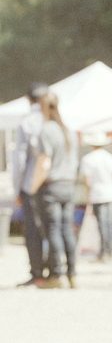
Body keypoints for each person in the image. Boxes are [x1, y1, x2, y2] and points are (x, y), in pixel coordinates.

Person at [35, 92, 79, 289]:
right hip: (68, 184)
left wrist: (32, 186)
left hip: (52, 185)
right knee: (66, 229)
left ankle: (57, 274)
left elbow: (44, 162)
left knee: (52, 229)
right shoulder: (68, 130)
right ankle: (72, 273)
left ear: (43, 107)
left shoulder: (46, 130)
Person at [12, 82, 48, 286]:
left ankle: (37, 273)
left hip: (32, 183)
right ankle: (55, 271)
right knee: (53, 228)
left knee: (33, 230)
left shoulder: (27, 123)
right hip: (54, 182)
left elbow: (20, 159)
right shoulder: (55, 120)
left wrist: (18, 187)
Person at [79, 133, 112, 259]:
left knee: (102, 224)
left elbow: (87, 181)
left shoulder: (88, 159)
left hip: (97, 194)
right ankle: (109, 250)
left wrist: (88, 196)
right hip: (111, 193)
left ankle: (104, 251)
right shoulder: (110, 158)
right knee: (109, 223)